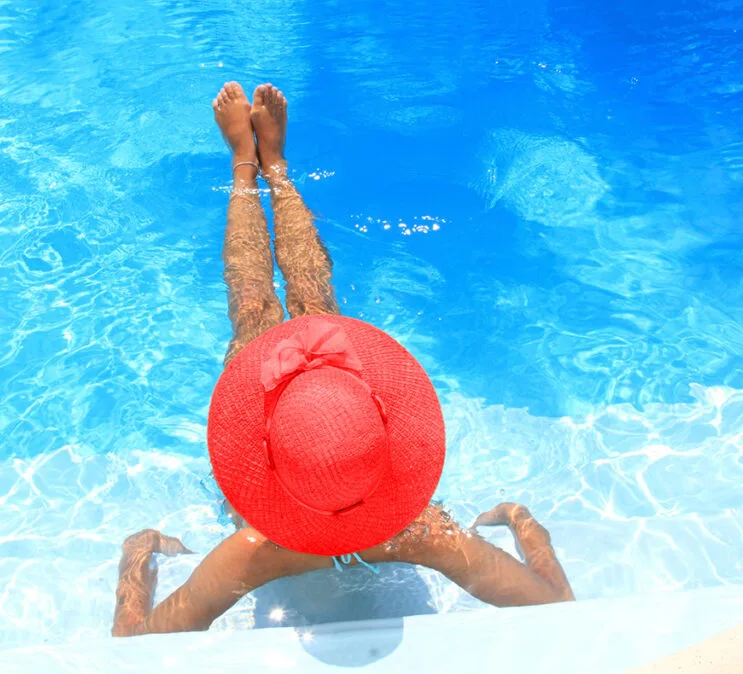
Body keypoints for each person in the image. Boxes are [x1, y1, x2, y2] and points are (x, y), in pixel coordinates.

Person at [111, 82, 574, 637]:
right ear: (384, 439)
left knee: (258, 304)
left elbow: (134, 648)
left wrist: (137, 556)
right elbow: (553, 604)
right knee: (299, 297)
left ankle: (244, 167)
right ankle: (275, 168)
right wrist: (522, 523)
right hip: (329, 407)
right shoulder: (420, 531)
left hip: (303, 418)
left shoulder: (255, 552)